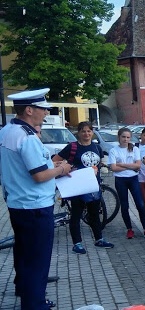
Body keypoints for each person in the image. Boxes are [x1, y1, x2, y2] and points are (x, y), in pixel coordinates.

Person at [1, 88, 72, 309]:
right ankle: (35, 304)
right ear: (29, 110)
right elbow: (39, 175)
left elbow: (28, 167)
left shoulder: (8, 130)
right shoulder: (27, 137)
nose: (46, 112)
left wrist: (53, 165)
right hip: (35, 205)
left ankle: (23, 287)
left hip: (18, 203)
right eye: (43, 109)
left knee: (24, 251)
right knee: (37, 259)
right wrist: (62, 170)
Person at [53, 121, 114, 254]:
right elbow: (54, 161)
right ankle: (77, 243)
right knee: (76, 214)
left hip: (93, 185)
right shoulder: (72, 147)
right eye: (83, 131)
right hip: (78, 186)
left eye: (89, 131)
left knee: (94, 214)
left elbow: (99, 163)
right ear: (78, 133)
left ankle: (99, 239)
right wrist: (65, 169)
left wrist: (99, 169)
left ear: (92, 132)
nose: (86, 134)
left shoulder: (96, 147)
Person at [108, 127, 145, 239]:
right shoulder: (113, 150)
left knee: (140, 203)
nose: (125, 139)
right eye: (123, 137)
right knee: (124, 205)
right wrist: (130, 167)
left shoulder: (135, 149)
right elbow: (113, 168)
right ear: (119, 137)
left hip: (133, 179)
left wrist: (121, 165)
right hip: (120, 180)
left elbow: (138, 165)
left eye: (128, 137)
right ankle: (129, 229)